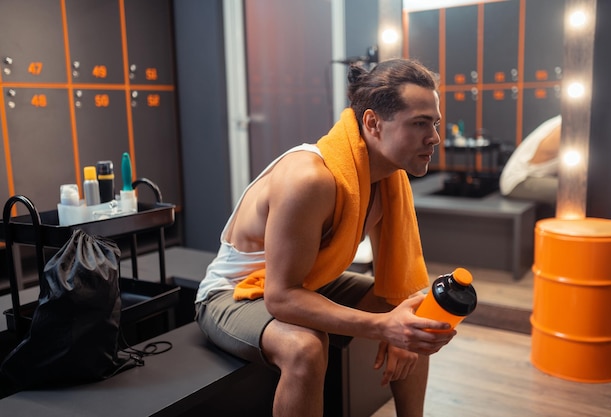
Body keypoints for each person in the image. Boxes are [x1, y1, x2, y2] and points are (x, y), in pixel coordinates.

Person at [195, 58, 456, 417]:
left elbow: (398, 288)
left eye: (435, 123)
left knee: (415, 315)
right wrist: (384, 326)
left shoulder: (387, 178)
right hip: (234, 293)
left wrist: (402, 325)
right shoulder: (310, 180)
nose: (435, 138)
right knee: (306, 347)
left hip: (306, 283)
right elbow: (282, 298)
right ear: (372, 123)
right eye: (419, 124)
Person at [499, 115, 562, 205]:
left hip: (540, 176)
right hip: (520, 180)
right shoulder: (565, 127)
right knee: (573, 190)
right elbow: (542, 157)